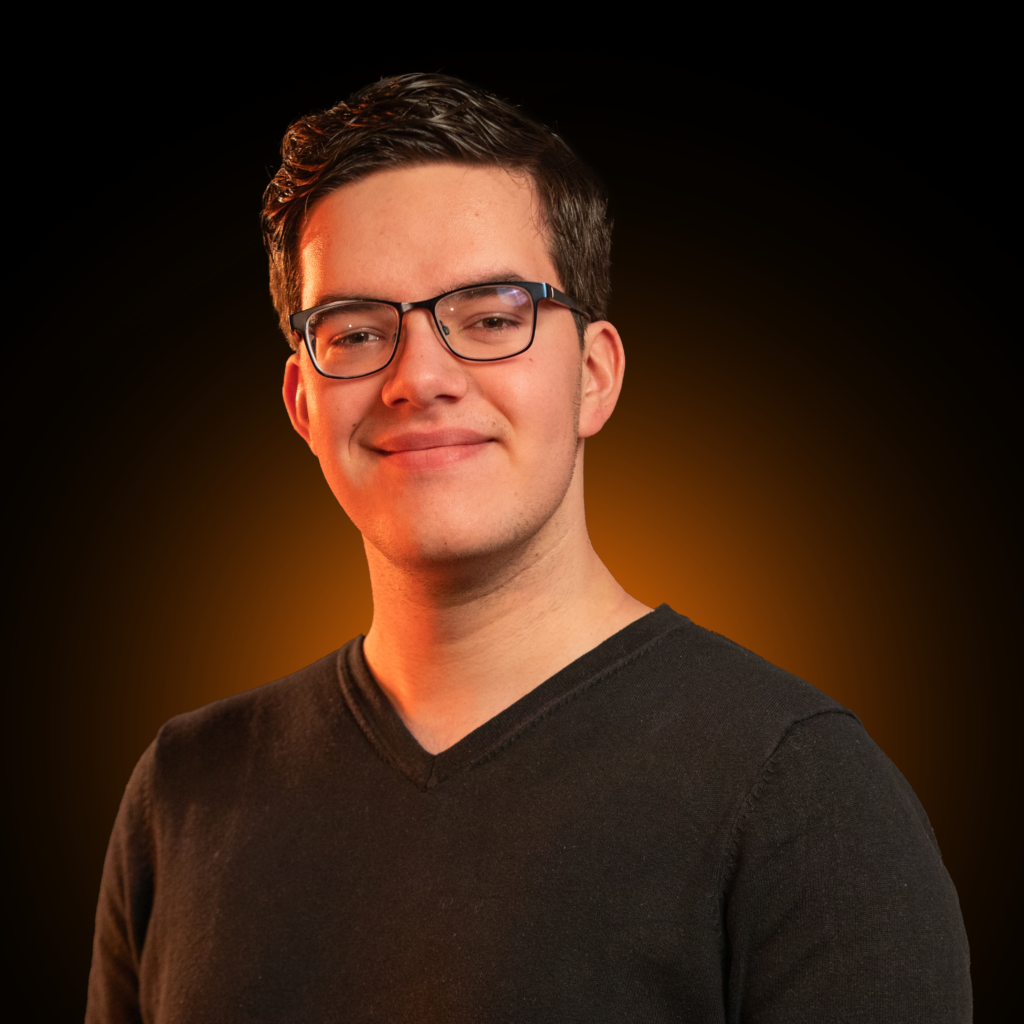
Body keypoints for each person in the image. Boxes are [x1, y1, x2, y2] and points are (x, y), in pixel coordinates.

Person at [86, 73, 971, 1023]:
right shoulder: (183, 791)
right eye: (356, 332)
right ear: (304, 405)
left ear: (593, 376)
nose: (419, 377)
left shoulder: (803, 791)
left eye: (493, 317)